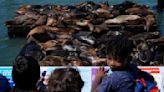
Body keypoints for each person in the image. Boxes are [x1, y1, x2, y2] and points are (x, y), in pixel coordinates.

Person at [92, 35, 157, 92]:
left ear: (129, 59)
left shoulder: (113, 79)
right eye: (109, 58)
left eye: (118, 60)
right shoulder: (132, 68)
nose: (112, 63)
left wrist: (98, 78)